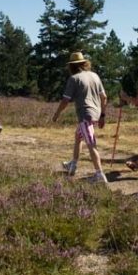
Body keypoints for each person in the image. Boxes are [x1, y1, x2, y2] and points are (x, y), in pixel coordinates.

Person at [52, 51, 109, 184]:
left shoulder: (74, 79)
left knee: (91, 144)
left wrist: (56, 114)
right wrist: (103, 115)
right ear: (84, 63)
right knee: (78, 137)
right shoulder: (95, 76)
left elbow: (65, 100)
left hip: (85, 115)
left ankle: (99, 174)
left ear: (71, 66)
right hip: (95, 114)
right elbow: (104, 97)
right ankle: (73, 164)